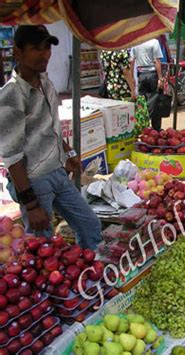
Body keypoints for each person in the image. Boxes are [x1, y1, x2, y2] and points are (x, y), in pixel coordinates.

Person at [0, 25, 102, 249]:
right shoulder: (11, 95)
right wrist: (31, 204)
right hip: (34, 181)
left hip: (57, 172)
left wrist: (70, 154)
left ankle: (89, 275)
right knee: (41, 247)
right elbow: (12, 157)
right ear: (18, 51)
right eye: (36, 48)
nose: (44, 54)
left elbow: (52, 129)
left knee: (90, 226)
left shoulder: (46, 84)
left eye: (47, 48)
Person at [131, 39, 165, 130]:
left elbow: (132, 61)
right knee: (156, 101)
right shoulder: (154, 42)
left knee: (142, 102)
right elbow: (157, 61)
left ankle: (144, 127)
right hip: (152, 75)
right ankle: (156, 128)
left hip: (141, 75)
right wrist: (160, 78)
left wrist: (132, 78)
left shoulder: (135, 42)